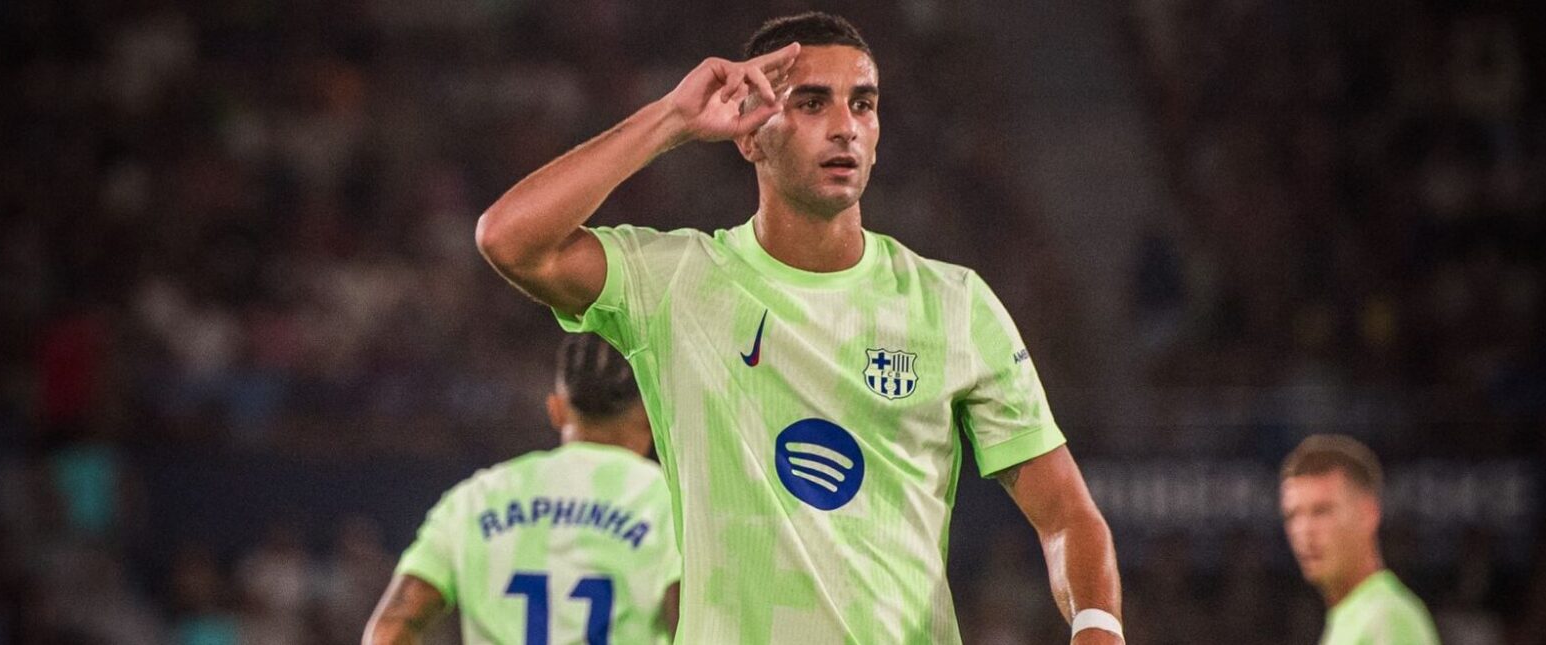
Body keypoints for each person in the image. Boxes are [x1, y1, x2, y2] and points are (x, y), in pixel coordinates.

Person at [475, 11, 1123, 644]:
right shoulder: (675, 283)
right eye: (812, 103)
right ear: (750, 134)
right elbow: (510, 240)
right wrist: (672, 119)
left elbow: (1067, 515)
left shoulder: (955, 304)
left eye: (862, 104)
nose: (845, 127)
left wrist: (1098, 626)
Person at [364, 335, 680, 645]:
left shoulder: (476, 499)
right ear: (651, 414)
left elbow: (391, 626)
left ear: (557, 410)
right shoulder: (670, 505)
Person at [1279, 434, 1440, 645]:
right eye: (1293, 515)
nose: (1304, 530)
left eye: (1322, 511)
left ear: (1368, 513)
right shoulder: (1353, 618)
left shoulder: (1385, 618)